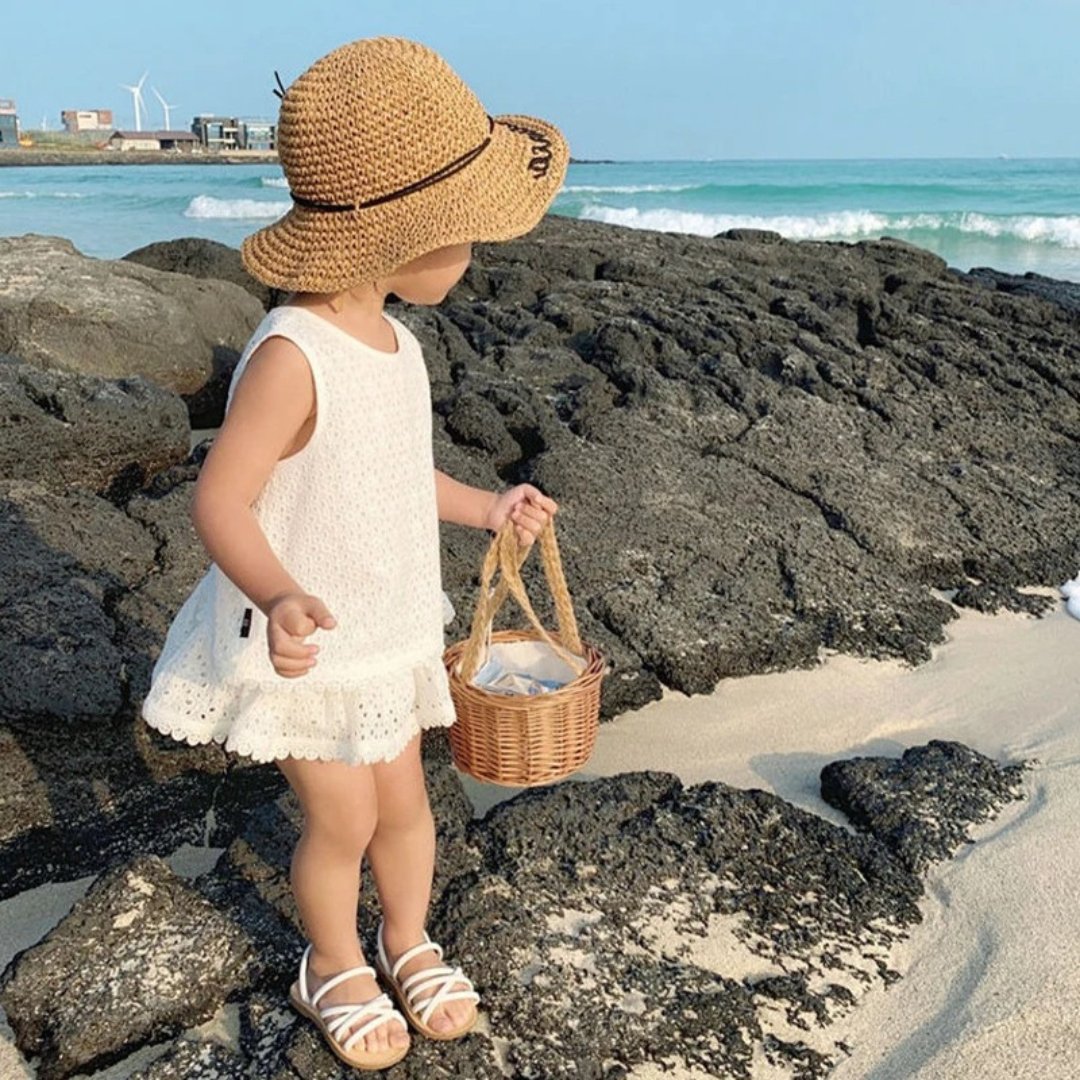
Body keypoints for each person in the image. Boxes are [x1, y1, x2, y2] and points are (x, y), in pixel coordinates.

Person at [140, 35, 569, 1071]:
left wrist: (485, 507)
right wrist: (279, 594)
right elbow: (221, 498)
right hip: (307, 642)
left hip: (386, 630)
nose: (473, 253)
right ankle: (330, 960)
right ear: (395, 234)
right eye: (464, 232)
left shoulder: (396, 344)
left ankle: (405, 937)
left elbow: (394, 477)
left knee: (409, 805)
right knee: (343, 818)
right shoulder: (293, 356)